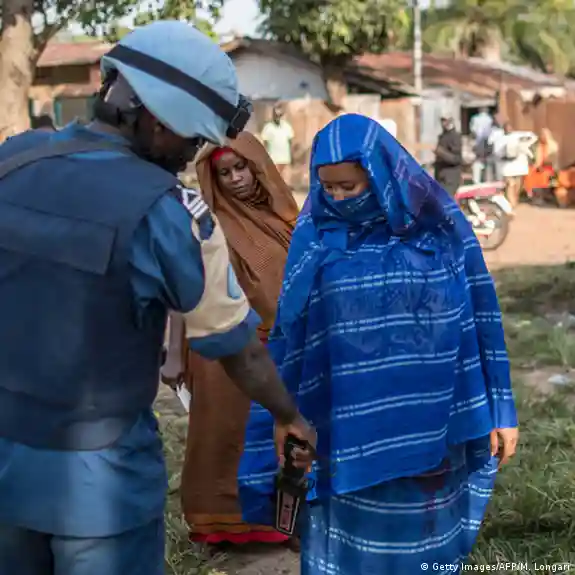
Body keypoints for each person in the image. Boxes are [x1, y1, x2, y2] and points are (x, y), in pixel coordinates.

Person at [0, 21, 314, 575]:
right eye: (194, 140)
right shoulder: (174, 215)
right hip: (99, 486)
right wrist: (288, 415)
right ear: (160, 122)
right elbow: (236, 349)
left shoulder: (13, 162)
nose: (192, 156)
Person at [238, 114, 519, 574]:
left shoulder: (442, 230)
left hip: (433, 430)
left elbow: (484, 316)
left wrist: (501, 409)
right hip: (344, 434)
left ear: (381, 175)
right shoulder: (314, 239)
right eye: (328, 188)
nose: (338, 198)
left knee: (421, 549)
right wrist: (281, 415)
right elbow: (291, 337)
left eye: (349, 187)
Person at [174, 132, 300, 546]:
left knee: (281, 436)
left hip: (283, 346)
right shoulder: (209, 227)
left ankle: (279, 520)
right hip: (229, 349)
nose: (235, 179)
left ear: (258, 166)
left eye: (241, 167)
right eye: (224, 173)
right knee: (229, 434)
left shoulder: (286, 217)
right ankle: (227, 523)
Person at [494, 121, 537, 207]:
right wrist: (506, 156)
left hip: (519, 167)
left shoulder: (518, 136)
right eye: (506, 128)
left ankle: (514, 200)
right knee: (510, 184)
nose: (508, 129)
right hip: (507, 167)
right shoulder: (499, 139)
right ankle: (511, 203)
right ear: (503, 129)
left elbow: (532, 137)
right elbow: (497, 153)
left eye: (509, 128)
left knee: (518, 186)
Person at [523, 127, 559, 202]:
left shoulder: (553, 145)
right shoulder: (536, 145)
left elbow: (552, 160)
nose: (543, 136)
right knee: (529, 173)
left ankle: (545, 195)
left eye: (544, 135)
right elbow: (533, 158)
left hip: (549, 167)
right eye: (542, 134)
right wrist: (536, 166)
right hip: (538, 166)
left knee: (546, 175)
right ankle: (533, 195)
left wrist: (543, 165)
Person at [261, 104, 294, 178]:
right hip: (273, 158)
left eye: (280, 115)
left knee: (285, 178)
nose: (278, 117)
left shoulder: (287, 126)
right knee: (275, 178)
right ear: (273, 115)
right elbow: (265, 143)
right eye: (276, 115)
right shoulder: (268, 127)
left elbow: (290, 142)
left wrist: (292, 156)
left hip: (285, 158)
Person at [434, 114, 462, 195]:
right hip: (440, 176)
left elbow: (456, 159)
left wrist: (441, 153)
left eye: (445, 120)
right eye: (442, 120)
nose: (443, 123)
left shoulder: (455, 136)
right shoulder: (442, 136)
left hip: (450, 179)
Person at [470, 107, 494, 183]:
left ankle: (477, 182)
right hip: (486, 144)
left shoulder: (475, 118)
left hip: (480, 144)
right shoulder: (489, 118)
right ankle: (486, 182)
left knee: (478, 164)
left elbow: (473, 131)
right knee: (486, 164)